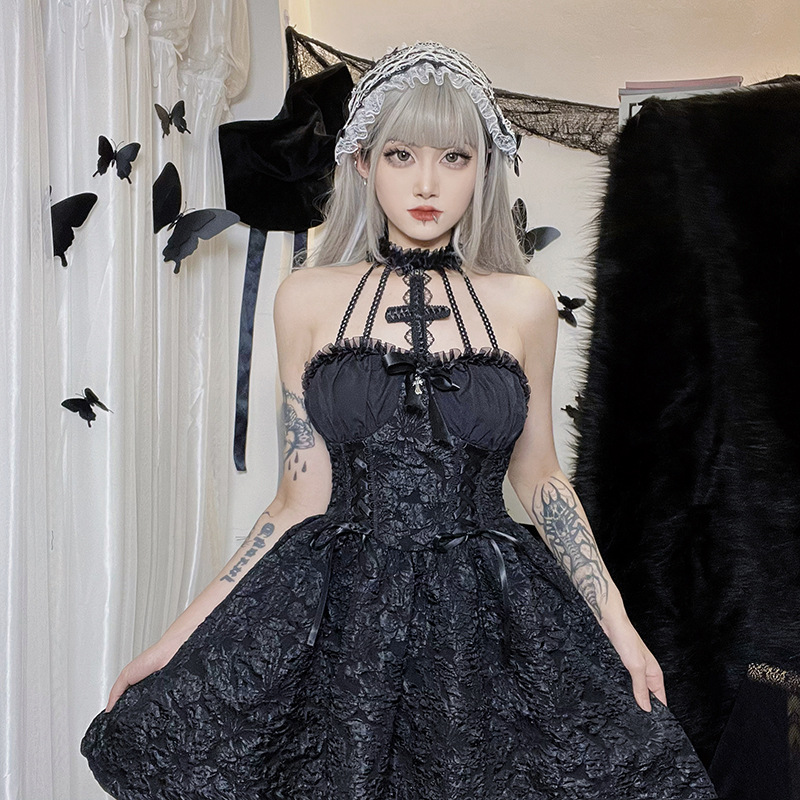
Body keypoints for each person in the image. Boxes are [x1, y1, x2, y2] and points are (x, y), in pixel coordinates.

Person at [82, 42, 717, 799]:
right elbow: (296, 500)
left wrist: (621, 628)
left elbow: (542, 478)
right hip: (341, 614)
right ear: (361, 163)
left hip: (484, 617)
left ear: (484, 168)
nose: (426, 183)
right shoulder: (305, 297)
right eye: (401, 154)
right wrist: (175, 639)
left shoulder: (526, 304)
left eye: (454, 157)